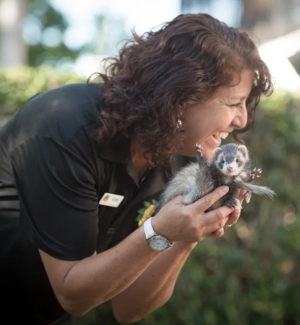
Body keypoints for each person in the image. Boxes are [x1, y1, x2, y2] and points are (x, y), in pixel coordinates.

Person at [0, 13, 272, 325]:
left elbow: (128, 309)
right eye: (234, 103)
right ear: (183, 97)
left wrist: (189, 231)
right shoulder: (62, 128)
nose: (242, 121)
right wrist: (159, 231)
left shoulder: (184, 153)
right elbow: (72, 294)